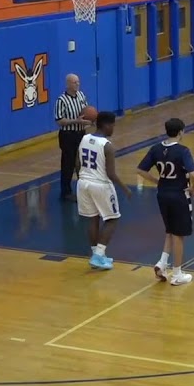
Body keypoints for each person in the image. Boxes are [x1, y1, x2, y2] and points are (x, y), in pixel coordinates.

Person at [136, 118, 194, 286]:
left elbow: (140, 170)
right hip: (178, 195)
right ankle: (177, 273)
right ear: (180, 132)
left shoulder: (156, 149)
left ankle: (162, 263)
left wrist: (158, 181)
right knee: (179, 235)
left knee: (170, 230)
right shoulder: (183, 151)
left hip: (162, 194)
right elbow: (193, 174)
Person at [76, 111, 132, 270]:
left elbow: (77, 163)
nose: (114, 128)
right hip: (100, 185)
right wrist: (125, 188)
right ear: (106, 125)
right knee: (112, 219)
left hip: (83, 183)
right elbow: (111, 173)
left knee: (93, 219)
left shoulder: (84, 138)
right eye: (113, 125)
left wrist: (81, 179)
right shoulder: (107, 146)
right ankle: (99, 254)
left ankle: (97, 256)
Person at [54, 73, 91, 201]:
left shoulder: (81, 95)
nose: (77, 84)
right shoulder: (61, 100)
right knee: (68, 164)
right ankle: (66, 192)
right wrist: (76, 121)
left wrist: (88, 120)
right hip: (67, 135)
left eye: (78, 82)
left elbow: (86, 111)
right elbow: (59, 121)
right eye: (75, 82)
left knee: (81, 163)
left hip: (81, 133)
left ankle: (83, 190)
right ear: (68, 84)